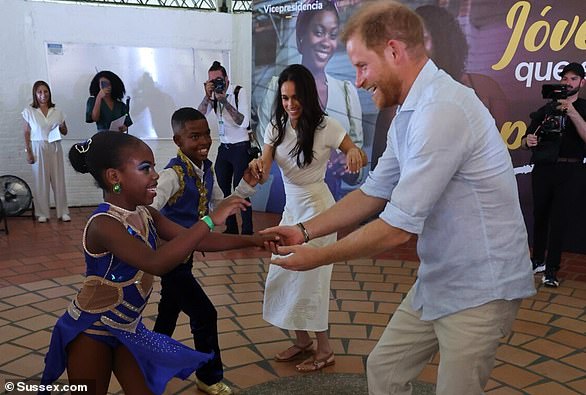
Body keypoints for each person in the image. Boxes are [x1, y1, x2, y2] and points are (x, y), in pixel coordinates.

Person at [259, 2, 535, 394]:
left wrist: (315, 256)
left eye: (362, 66)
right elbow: (374, 192)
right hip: (439, 277)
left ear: (394, 51)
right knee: (385, 371)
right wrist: (302, 231)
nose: (357, 81)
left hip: (482, 287)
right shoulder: (412, 109)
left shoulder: (441, 109)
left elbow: (396, 228)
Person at [39, 131, 251, 395]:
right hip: (90, 331)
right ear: (114, 177)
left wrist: (256, 241)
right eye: (145, 168)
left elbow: (195, 241)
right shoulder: (103, 224)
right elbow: (156, 263)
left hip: (128, 329)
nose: (156, 175)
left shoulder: (146, 214)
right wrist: (209, 220)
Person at [248, 64, 366, 372]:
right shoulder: (277, 125)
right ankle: (303, 341)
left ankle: (324, 350)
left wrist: (354, 154)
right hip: (292, 212)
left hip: (320, 212)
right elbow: (264, 165)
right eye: (285, 98)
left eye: (296, 97)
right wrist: (257, 167)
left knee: (311, 282)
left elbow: (355, 151)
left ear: (308, 96)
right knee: (284, 274)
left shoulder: (326, 126)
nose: (290, 104)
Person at [150, 107, 264, 395]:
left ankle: (148, 364)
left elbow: (221, 206)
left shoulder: (207, 169)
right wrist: (167, 241)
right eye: (194, 136)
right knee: (205, 314)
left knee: (168, 313)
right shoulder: (173, 174)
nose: (203, 141)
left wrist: (247, 186)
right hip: (172, 259)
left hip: (185, 259)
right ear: (178, 141)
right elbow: (148, 210)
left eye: (207, 135)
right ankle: (209, 377)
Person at [371, 4, 509, 169]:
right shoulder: (394, 105)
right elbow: (380, 174)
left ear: (443, 41)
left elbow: (503, 161)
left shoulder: (486, 89)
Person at [256, 0, 364, 208]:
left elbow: (357, 158)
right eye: (318, 32)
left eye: (332, 35)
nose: (326, 41)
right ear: (300, 36)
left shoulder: (346, 92)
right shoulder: (275, 88)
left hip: (330, 199)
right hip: (285, 198)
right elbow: (266, 155)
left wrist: (350, 163)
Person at [521, 62, 586, 287]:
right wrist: (528, 141)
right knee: (540, 215)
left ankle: (552, 269)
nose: (567, 82)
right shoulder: (546, 109)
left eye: (573, 79)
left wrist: (573, 112)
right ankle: (537, 260)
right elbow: (529, 137)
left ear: (582, 83)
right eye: (565, 78)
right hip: (544, 168)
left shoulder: (584, 108)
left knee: (559, 220)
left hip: (571, 170)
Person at [198, 61, 253, 235]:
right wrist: (208, 96)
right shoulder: (212, 95)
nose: (216, 84)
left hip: (240, 147)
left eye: (219, 80)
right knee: (222, 188)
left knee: (241, 189)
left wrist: (224, 101)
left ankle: (247, 230)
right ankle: (231, 228)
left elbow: (242, 122)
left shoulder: (238, 92)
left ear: (227, 79)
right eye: (212, 81)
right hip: (224, 147)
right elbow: (198, 117)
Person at [22, 80, 70, 223]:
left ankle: (63, 212)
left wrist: (61, 126)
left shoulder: (57, 111)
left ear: (49, 93)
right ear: (35, 94)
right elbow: (26, 132)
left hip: (54, 146)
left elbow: (65, 131)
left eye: (46, 91)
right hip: (38, 146)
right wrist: (28, 151)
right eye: (40, 92)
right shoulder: (29, 111)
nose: (43, 95)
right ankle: (43, 212)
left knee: (58, 179)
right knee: (40, 180)